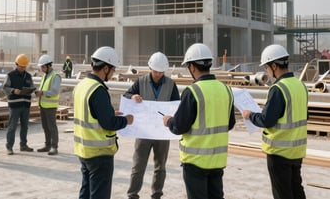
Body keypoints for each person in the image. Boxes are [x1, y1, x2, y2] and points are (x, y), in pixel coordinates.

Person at [163, 43, 235, 199]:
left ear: (192, 67)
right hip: (217, 160)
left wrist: (169, 121)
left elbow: (179, 127)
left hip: (195, 162)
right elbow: (230, 124)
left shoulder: (193, 91)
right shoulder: (226, 89)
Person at [242, 44, 307, 199]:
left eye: (267, 67)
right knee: (296, 190)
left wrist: (250, 115)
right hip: (297, 151)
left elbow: (267, 120)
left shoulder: (278, 89)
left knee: (283, 194)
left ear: (274, 65)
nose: (267, 71)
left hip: (279, 152)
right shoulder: (300, 85)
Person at [73, 46, 134, 199]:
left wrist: (108, 113)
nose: (113, 74)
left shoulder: (81, 85)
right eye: (113, 70)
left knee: (86, 192)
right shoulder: (98, 89)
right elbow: (109, 123)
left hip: (83, 150)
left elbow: (90, 113)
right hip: (99, 153)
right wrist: (126, 120)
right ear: (105, 68)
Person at [124, 52, 180, 199]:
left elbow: (176, 105)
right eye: (155, 71)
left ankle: (157, 194)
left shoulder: (170, 84)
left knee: (160, 167)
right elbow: (126, 96)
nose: (158, 75)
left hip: (162, 133)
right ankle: (132, 194)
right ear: (150, 68)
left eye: (161, 72)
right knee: (138, 166)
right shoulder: (140, 82)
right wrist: (132, 96)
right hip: (143, 132)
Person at [3, 54, 35, 155]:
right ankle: (9, 147)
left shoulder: (28, 76)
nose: (22, 68)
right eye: (21, 66)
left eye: (24, 66)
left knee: (25, 126)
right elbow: (5, 88)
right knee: (12, 127)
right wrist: (13, 90)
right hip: (15, 106)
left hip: (25, 105)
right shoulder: (10, 75)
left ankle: (23, 145)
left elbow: (32, 87)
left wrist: (32, 91)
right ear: (16, 65)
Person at [35, 54, 61, 155]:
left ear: (48, 66)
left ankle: (54, 146)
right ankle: (47, 145)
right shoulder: (45, 76)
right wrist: (39, 92)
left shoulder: (56, 76)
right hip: (43, 105)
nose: (41, 68)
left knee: (52, 127)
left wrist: (43, 93)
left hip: (50, 107)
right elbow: (44, 89)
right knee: (45, 126)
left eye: (43, 66)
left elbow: (54, 91)